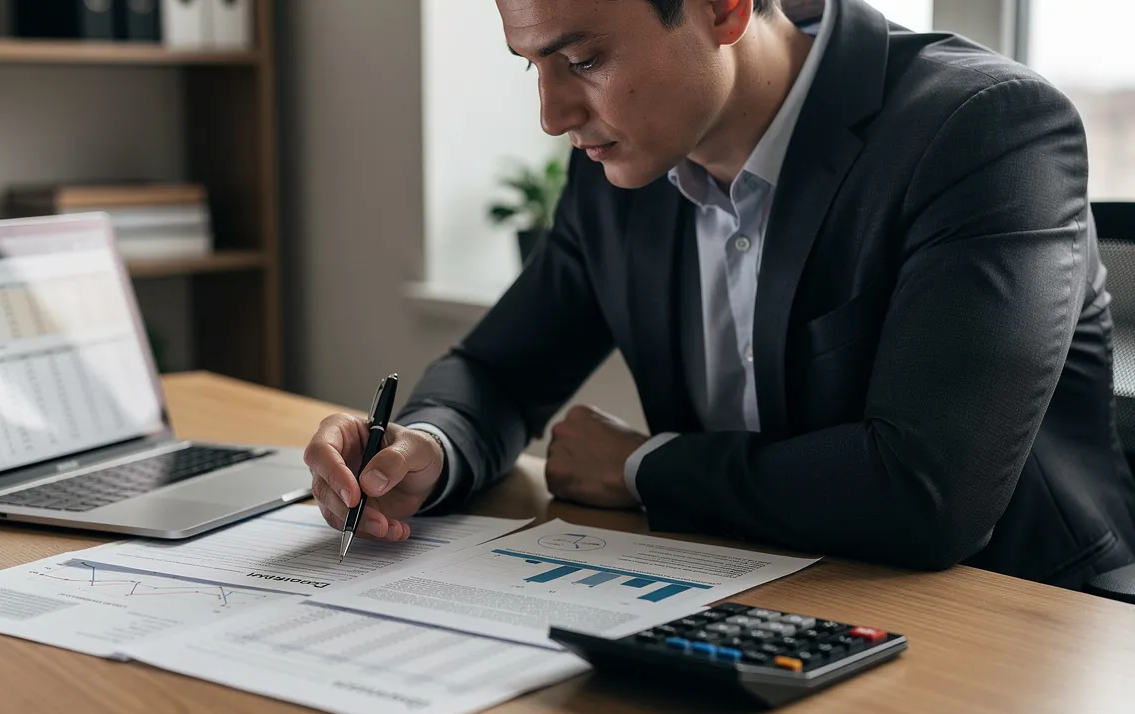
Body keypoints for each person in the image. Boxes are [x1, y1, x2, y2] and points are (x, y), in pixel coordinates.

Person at [303, 0, 1135, 588]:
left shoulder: (984, 129)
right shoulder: (620, 161)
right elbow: (501, 370)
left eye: (583, 61)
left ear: (724, 8)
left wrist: (643, 467)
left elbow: (928, 493)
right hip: (749, 588)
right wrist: (426, 446)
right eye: (533, 64)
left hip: (1010, 612)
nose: (552, 116)